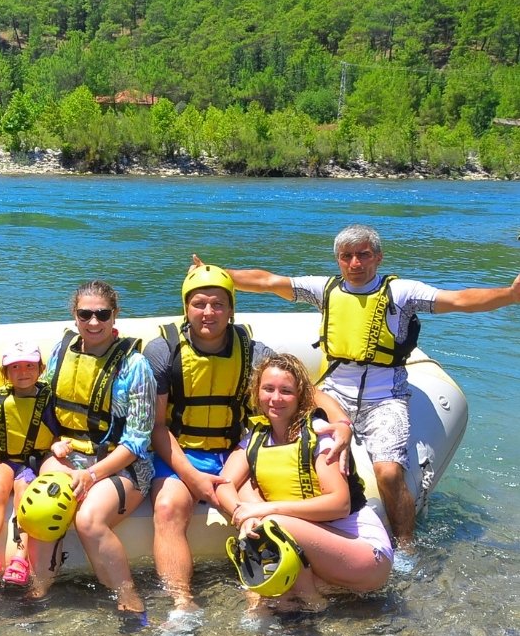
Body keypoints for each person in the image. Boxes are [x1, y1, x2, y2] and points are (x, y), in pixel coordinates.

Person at [218, 225, 520, 555]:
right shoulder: (324, 290)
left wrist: (510, 294)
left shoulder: (402, 293)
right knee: (291, 449)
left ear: (378, 257)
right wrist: (217, 273)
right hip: (334, 393)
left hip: (385, 397)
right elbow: (267, 281)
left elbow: (458, 300)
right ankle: (292, 526)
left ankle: (405, 547)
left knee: (388, 472)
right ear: (338, 260)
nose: (355, 263)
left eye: (363, 255)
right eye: (347, 256)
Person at [144, 263, 351, 636]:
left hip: (237, 451)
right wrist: (192, 478)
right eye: (199, 304)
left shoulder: (252, 351)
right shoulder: (164, 351)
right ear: (186, 307)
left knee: (255, 515)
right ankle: (182, 604)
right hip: (183, 451)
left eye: (218, 304)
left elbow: (305, 389)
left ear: (231, 308)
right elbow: (158, 427)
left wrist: (342, 424)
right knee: (168, 507)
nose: (209, 312)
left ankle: (262, 601)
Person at [215, 353, 393, 617]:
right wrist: (244, 515)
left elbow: (340, 504)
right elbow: (223, 484)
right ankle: (295, 604)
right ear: (256, 392)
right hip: (316, 552)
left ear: (300, 396)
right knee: (247, 494)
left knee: (273, 524)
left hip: (364, 555)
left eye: (286, 391)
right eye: (268, 389)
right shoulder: (255, 439)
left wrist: (265, 510)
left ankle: (312, 604)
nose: (275, 398)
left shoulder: (320, 436)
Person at [24, 280, 155, 617]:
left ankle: (128, 596)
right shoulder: (61, 351)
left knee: (88, 520)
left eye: (102, 314)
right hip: (69, 454)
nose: (93, 322)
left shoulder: (134, 366)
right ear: (75, 315)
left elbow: (137, 440)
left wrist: (93, 474)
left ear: (115, 315)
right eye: (85, 314)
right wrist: (54, 441)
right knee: (42, 508)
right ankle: (39, 590)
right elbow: (46, 404)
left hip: (121, 464)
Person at [0, 341, 62, 586]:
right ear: (6, 373)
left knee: (24, 494)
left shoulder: (47, 401)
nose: (23, 372)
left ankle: (20, 557)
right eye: (15, 367)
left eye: (29, 366)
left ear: (40, 369)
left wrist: (57, 444)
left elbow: (59, 430)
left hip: (32, 464)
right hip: (5, 459)